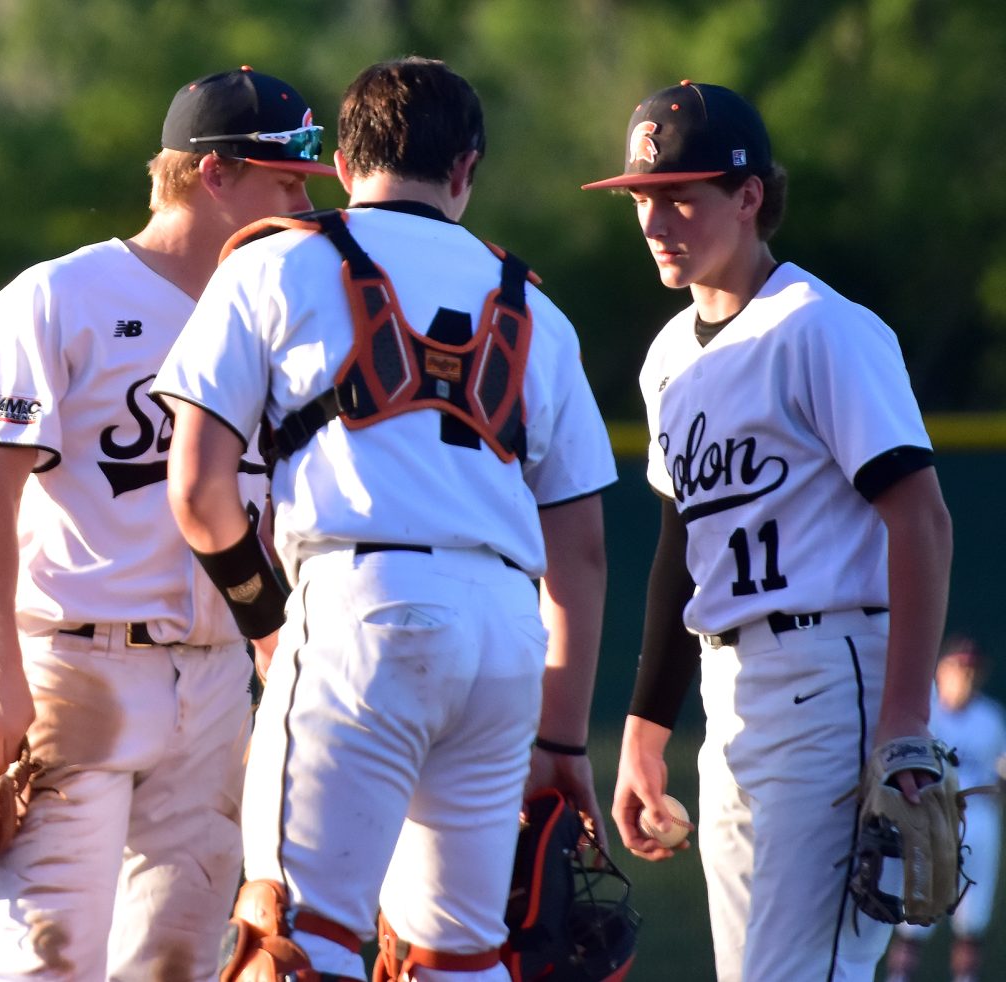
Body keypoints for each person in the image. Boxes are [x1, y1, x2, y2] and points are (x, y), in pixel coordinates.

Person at [153, 56, 617, 982]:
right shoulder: (539, 309)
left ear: (345, 159)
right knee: (460, 953)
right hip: (503, 639)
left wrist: (267, 625)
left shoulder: (274, 261)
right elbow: (585, 551)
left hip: (357, 607)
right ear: (466, 169)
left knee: (292, 939)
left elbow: (198, 491)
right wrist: (563, 737)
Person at [0, 66, 336, 980]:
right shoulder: (58, 296)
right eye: (285, 180)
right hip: (77, 667)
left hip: (215, 683)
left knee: (177, 965)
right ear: (213, 173)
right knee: (52, 962)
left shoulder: (280, 315)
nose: (301, 204)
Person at [582, 81, 954, 982]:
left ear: (749, 197)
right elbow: (683, 546)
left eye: (680, 195)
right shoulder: (668, 356)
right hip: (730, 688)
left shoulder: (821, 328)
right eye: (641, 196)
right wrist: (643, 728)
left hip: (834, 678)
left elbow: (924, 519)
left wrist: (902, 721)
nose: (654, 218)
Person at [885, 636, 1006, 982]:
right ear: (941, 671)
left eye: (972, 670)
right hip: (931, 820)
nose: (966, 676)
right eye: (959, 668)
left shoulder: (992, 718)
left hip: (980, 819)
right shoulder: (925, 713)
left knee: (973, 922)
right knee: (915, 920)